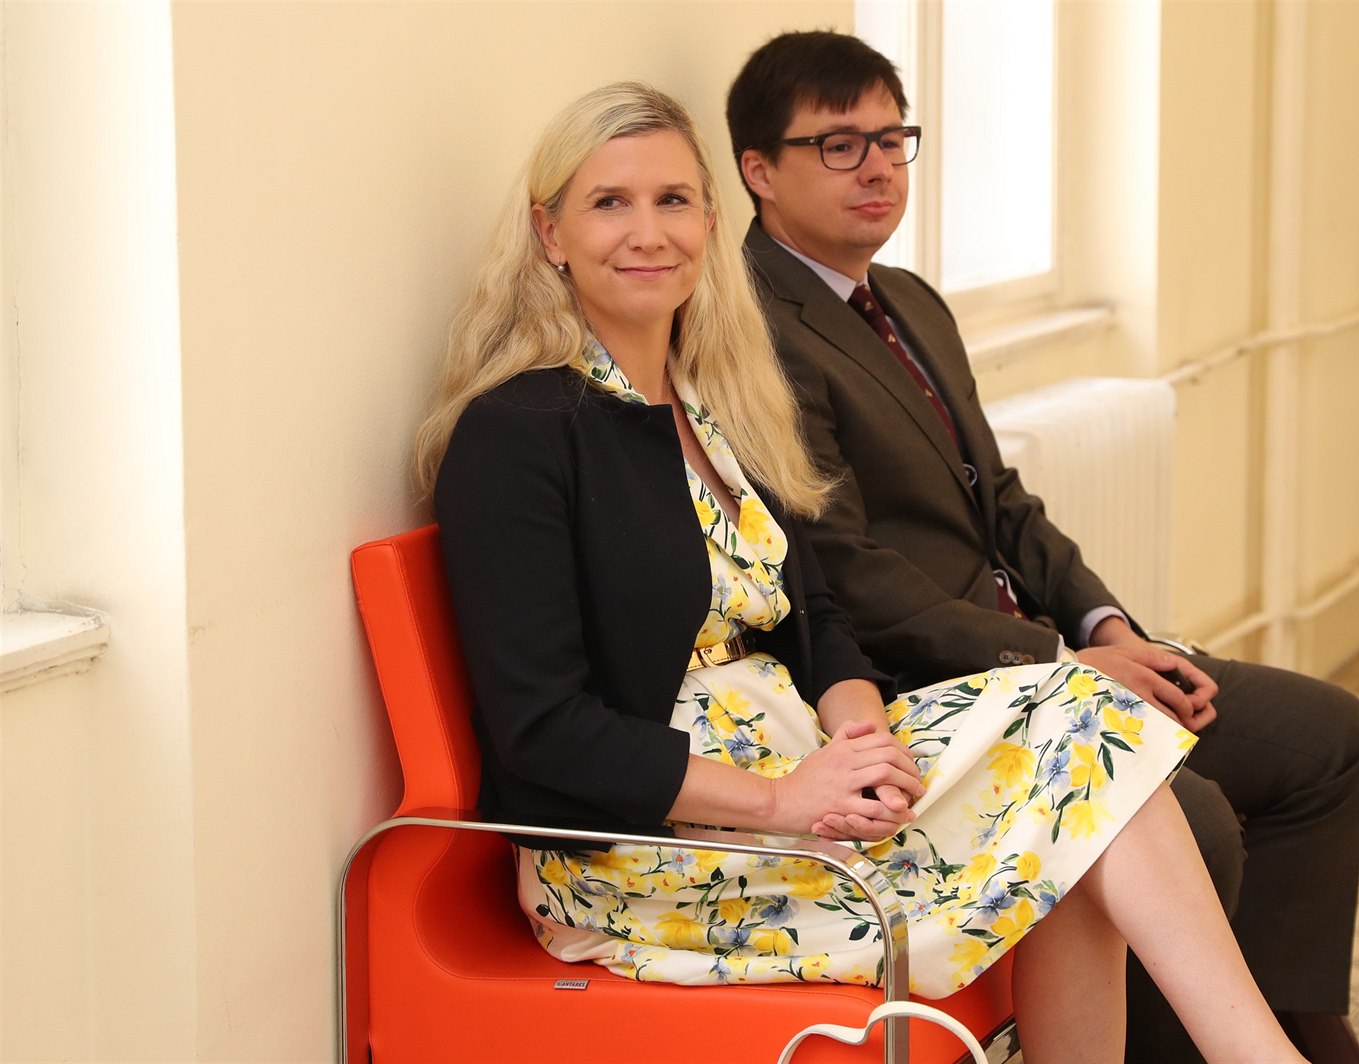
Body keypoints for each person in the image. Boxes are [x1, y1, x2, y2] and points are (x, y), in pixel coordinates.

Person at [416, 81, 1307, 1064]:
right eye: (608, 203)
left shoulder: (715, 403)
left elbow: (816, 615)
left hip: (809, 775)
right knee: (1076, 799)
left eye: (673, 200)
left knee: (1084, 730)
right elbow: (542, 729)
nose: (648, 231)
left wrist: (864, 741)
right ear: (550, 233)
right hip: (653, 848)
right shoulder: (518, 432)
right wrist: (782, 801)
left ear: (710, 221)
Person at [726, 31, 1359, 1064]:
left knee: (1331, 740)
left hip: (1050, 654)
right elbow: (843, 573)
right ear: (759, 170)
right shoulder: (751, 328)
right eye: (840, 144)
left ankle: (1296, 1024)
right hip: (928, 684)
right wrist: (1058, 661)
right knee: (1193, 817)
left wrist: (1108, 627)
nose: (879, 166)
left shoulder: (909, 301)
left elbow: (1002, 503)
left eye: (894, 138)